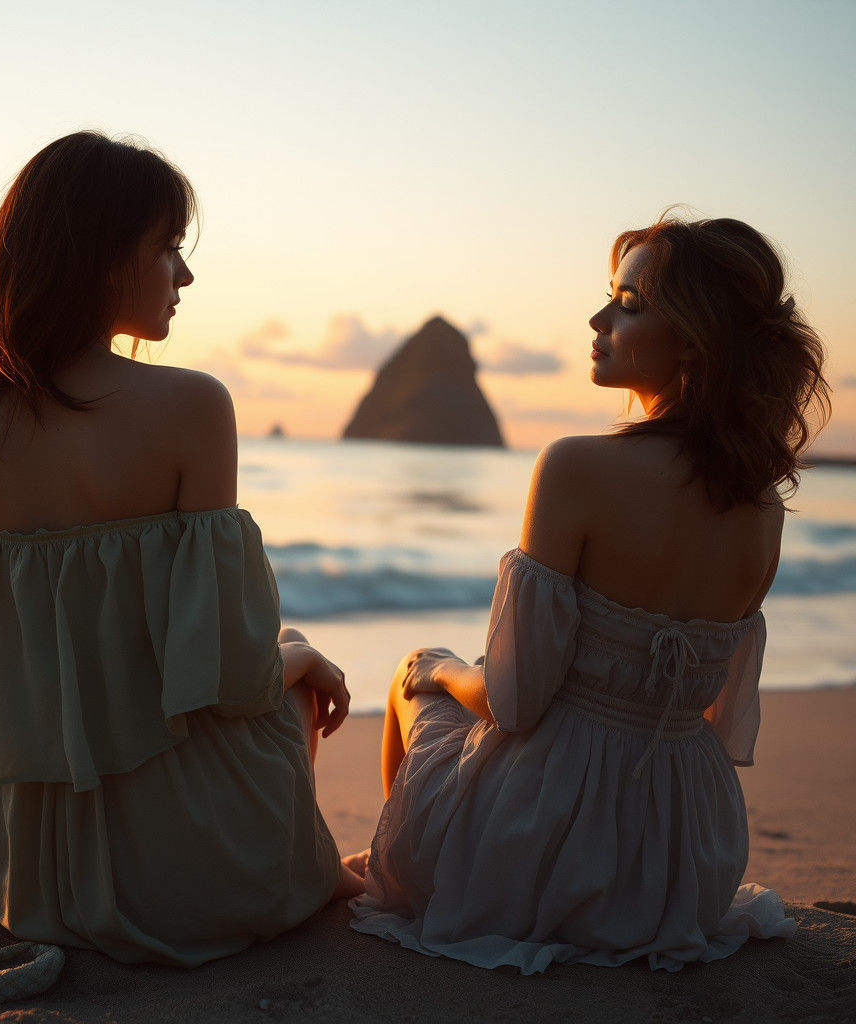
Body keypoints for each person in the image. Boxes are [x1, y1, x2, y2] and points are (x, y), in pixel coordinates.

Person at [349, 214, 831, 972]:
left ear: (695, 342)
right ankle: (415, 865)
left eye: (629, 304)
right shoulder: (764, 508)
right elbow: (717, 714)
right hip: (684, 862)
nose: (598, 320)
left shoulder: (575, 466)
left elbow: (516, 703)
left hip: (540, 849)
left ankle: (409, 878)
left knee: (419, 668)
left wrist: (440, 669)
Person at [0, 131, 362, 968]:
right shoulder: (192, 405)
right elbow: (234, 678)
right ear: (101, 259)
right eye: (169, 249)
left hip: (23, 880)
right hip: (186, 884)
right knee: (292, 689)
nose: (186, 275)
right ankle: (285, 878)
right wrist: (303, 657)